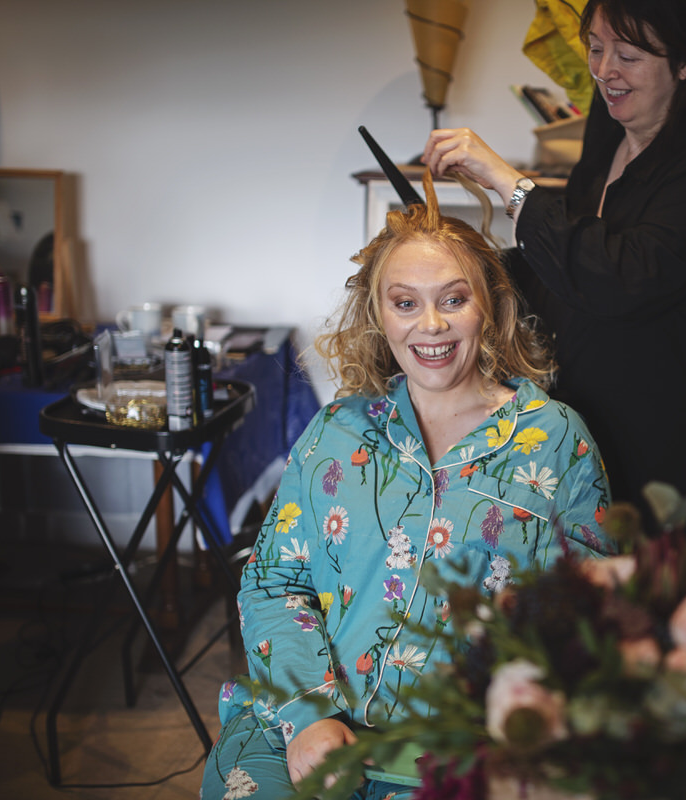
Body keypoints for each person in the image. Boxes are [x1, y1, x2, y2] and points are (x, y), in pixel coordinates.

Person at [200, 172, 613, 800]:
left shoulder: (555, 440)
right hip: (307, 719)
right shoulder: (337, 430)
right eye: (405, 302)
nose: (431, 326)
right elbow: (272, 581)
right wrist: (310, 718)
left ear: (491, 307)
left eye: (453, 300)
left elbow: (597, 614)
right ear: (378, 314)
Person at [422, 0, 686, 559]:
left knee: (656, 627)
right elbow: (565, 264)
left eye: (629, 55)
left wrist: (507, 182)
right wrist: (466, 269)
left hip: (676, 459)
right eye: (596, 48)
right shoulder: (607, 138)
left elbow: (617, 277)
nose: (604, 70)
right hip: (591, 442)